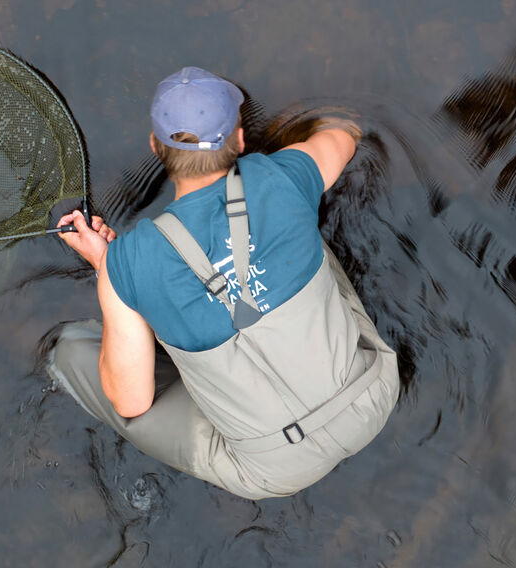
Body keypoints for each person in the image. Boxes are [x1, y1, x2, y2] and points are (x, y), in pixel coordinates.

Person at [47, 67, 399, 499]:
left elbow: (131, 403)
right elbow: (344, 136)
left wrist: (110, 268)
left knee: (73, 350)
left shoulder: (129, 263)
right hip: (371, 399)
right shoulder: (282, 176)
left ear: (155, 146)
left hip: (274, 470)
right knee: (301, 227)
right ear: (240, 139)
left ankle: (156, 323)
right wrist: (339, 121)